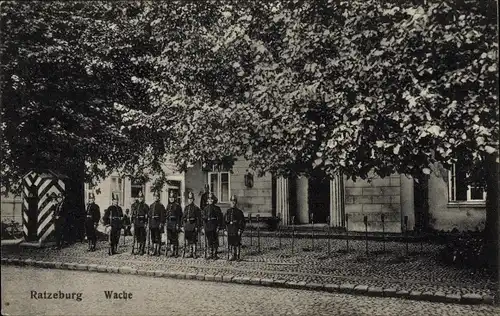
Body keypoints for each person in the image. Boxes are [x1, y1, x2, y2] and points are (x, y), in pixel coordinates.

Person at [202, 193, 224, 259]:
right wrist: (203, 227)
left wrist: (218, 226)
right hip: (208, 225)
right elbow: (203, 219)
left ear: (213, 200)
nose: (210, 200)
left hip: (214, 225)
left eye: (211, 199)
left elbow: (220, 218)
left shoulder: (217, 208)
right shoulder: (205, 209)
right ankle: (210, 253)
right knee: (209, 240)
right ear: (207, 200)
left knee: (215, 240)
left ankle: (215, 253)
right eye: (209, 199)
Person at [225, 195, 246, 261]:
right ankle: (231, 255)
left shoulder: (239, 212)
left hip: (236, 229)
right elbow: (225, 221)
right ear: (230, 202)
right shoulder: (228, 211)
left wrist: (240, 229)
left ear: (236, 203)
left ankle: (237, 256)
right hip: (230, 228)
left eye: (234, 202)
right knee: (230, 243)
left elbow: (242, 222)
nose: (232, 203)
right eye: (231, 202)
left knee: (237, 243)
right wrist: (225, 229)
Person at [182, 191, 202, 258]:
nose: (190, 200)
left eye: (191, 199)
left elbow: (198, 218)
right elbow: (183, 217)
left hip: (193, 225)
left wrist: (197, 226)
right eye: (189, 199)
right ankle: (190, 252)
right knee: (188, 240)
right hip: (187, 225)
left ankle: (194, 253)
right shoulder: (186, 208)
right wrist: (183, 225)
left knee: (193, 240)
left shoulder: (196, 208)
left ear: (193, 200)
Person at [165, 191, 183, 257]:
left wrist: (178, 224)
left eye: (172, 197)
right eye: (170, 197)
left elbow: (180, 216)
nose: (171, 199)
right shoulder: (168, 205)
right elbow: (166, 214)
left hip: (175, 223)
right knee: (170, 238)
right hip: (169, 223)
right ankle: (172, 251)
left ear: (174, 198)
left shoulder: (177, 206)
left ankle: (176, 252)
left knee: (175, 238)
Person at [131, 191, 149, 255]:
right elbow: (132, 215)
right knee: (137, 236)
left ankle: (142, 249)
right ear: (137, 198)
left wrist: (146, 223)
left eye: (141, 197)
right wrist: (132, 223)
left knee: (142, 236)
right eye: (139, 197)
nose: (140, 198)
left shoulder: (145, 206)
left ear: (143, 198)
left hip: (142, 223)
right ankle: (138, 249)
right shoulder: (134, 205)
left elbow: (147, 216)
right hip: (136, 222)